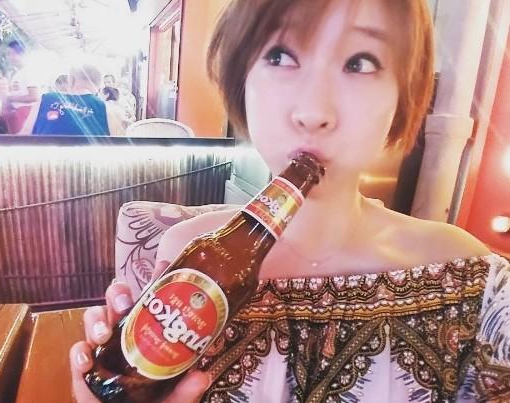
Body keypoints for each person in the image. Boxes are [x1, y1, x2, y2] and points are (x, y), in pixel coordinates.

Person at [70, 1, 510, 402]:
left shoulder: (469, 280)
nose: (313, 112)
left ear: (405, 92)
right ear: (241, 76)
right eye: (280, 55)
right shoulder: (183, 251)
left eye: (359, 62)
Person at [20, 64, 124, 136]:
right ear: (98, 86)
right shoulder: (109, 110)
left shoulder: (44, 99)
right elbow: (118, 150)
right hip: (88, 162)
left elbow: (24, 135)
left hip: (45, 161)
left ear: (71, 81)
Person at [1, 40, 40, 133]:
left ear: (21, 53)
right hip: (17, 114)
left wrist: (10, 98)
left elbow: (34, 96)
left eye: (12, 53)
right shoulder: (17, 73)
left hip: (26, 115)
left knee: (23, 141)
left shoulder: (29, 71)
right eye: (8, 54)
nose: (9, 57)